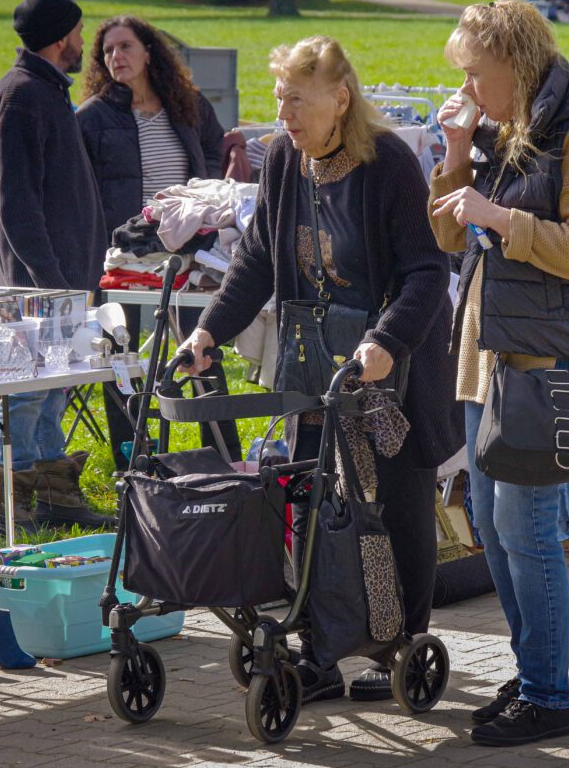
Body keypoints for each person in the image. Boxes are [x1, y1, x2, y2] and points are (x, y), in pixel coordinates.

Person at [178, 36, 462, 704]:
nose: (286, 116)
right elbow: (255, 260)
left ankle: (401, 645)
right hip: (315, 359)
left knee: (395, 506)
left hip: (392, 365)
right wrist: (209, 331)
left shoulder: (387, 162)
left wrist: (387, 340)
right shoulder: (283, 160)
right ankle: (321, 647)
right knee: (311, 499)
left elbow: (427, 270)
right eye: (280, 100)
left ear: (341, 99)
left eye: (297, 101)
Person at [429, 0, 569, 746]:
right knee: (491, 523)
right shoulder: (505, 128)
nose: (471, 89)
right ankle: (530, 669)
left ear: (515, 62)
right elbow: (449, 231)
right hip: (488, 359)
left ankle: (549, 692)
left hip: (541, 363)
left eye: (478, 74)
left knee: (527, 529)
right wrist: (455, 151)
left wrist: (502, 218)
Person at [75, 15, 226, 470]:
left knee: (204, 346)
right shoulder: (92, 117)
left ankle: (220, 452)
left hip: (185, 250)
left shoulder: (187, 105)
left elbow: (214, 149)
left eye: (125, 47)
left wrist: (204, 200)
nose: (116, 57)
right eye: (107, 52)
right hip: (122, 253)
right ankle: (133, 459)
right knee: (120, 356)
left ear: (148, 52)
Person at [0, 0, 108, 529]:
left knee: (54, 387)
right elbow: (19, 205)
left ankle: (55, 497)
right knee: (31, 392)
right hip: (41, 286)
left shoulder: (45, 91)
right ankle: (15, 502)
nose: (84, 43)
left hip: (63, 279)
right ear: (62, 38)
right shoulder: (23, 96)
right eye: (80, 33)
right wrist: (53, 282)